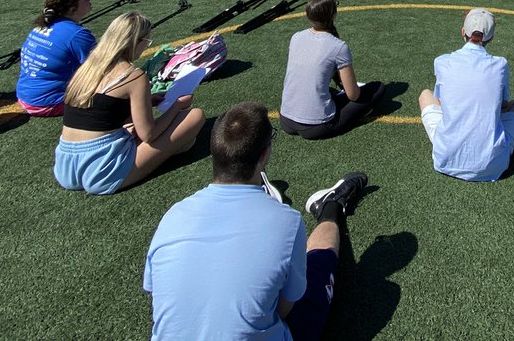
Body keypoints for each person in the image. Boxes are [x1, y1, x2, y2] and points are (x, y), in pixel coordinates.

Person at [145, 101, 369, 340]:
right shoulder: (288, 222)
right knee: (320, 264)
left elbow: (156, 293)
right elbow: (284, 309)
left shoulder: (173, 215)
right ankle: (330, 207)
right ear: (264, 155)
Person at [53, 12, 205, 195]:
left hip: (65, 166)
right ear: (137, 41)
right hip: (105, 170)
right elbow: (148, 135)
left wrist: (147, 101)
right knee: (195, 116)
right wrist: (177, 106)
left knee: (131, 127)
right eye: (147, 41)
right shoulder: (133, 76)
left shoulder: (86, 69)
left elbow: (100, 110)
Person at [418, 8, 514, 181]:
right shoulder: (500, 64)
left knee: (425, 94)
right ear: (491, 38)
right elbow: (503, 106)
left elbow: (442, 102)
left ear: (463, 32)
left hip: (445, 159)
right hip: (492, 164)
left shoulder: (442, 61)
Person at [280, 0, 385, 140]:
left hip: (285, 119)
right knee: (378, 88)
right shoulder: (338, 47)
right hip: (317, 126)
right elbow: (353, 95)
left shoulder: (296, 37)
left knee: (323, 89)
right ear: (333, 15)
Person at [16, 0, 96, 116]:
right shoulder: (77, 34)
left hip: (25, 97)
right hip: (50, 103)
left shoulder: (42, 26)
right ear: (72, 8)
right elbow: (101, 67)